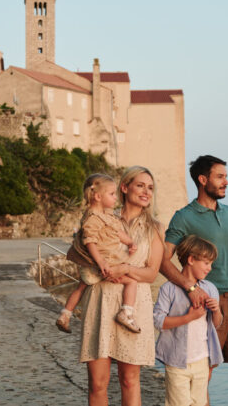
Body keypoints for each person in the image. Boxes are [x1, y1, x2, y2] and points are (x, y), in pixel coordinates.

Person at [161, 155, 228, 406]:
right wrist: (191, 288)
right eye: (220, 177)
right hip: (207, 303)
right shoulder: (183, 217)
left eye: (226, 177)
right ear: (202, 179)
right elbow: (163, 260)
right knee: (203, 376)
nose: (226, 182)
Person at [79, 166, 164, 406]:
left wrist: (125, 269)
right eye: (140, 185)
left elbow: (151, 273)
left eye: (150, 188)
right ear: (124, 188)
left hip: (133, 306)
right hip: (101, 300)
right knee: (97, 383)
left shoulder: (155, 228)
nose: (146, 192)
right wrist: (101, 267)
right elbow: (81, 250)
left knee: (129, 379)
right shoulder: (101, 217)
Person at [56, 173, 141, 334]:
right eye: (111, 194)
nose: (116, 198)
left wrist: (129, 242)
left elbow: (117, 233)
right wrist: (102, 262)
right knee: (132, 282)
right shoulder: (93, 218)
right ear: (97, 196)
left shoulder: (105, 216)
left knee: (80, 288)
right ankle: (126, 312)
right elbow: (90, 241)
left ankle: (65, 314)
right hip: (104, 264)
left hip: (95, 265)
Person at [154, 234, 223, 406]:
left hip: (202, 359)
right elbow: (158, 321)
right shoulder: (169, 289)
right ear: (191, 259)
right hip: (176, 361)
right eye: (206, 263)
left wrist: (216, 311)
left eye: (211, 264)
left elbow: (215, 325)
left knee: (199, 403)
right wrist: (188, 318)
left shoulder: (210, 288)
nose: (209, 268)